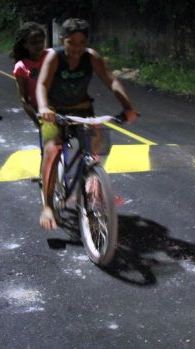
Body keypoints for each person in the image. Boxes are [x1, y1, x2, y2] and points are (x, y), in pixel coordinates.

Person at [35, 18, 138, 231]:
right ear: (63, 40)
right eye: (72, 42)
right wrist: (44, 107)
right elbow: (42, 84)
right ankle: (46, 206)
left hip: (81, 108)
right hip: (53, 111)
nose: (77, 48)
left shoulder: (91, 57)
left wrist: (127, 107)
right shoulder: (54, 57)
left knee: (97, 139)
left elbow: (112, 81)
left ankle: (93, 177)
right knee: (53, 149)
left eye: (82, 42)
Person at [11, 22, 49, 126]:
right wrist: (36, 119)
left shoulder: (52, 56)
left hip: (61, 105)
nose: (39, 45)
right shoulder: (21, 66)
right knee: (53, 140)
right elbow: (24, 98)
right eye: (33, 42)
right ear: (25, 45)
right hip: (41, 110)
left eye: (41, 41)